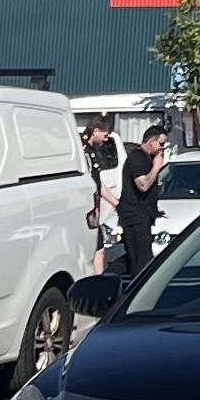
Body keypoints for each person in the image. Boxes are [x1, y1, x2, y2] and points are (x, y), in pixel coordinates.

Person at [118, 116, 167, 282]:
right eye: (161, 144)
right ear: (151, 141)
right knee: (141, 259)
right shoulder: (137, 158)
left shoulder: (147, 158)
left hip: (144, 214)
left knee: (143, 255)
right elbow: (143, 185)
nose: (162, 148)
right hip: (134, 216)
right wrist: (156, 168)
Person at [80, 113, 122, 279]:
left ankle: (99, 279)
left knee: (99, 248)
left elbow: (98, 183)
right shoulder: (82, 151)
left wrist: (116, 203)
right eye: (104, 135)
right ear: (95, 130)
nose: (105, 140)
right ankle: (96, 281)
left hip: (94, 210)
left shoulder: (92, 151)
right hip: (84, 209)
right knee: (94, 248)